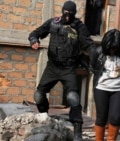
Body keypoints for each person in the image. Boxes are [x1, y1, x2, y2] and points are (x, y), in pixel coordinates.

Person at [28, 1, 96, 141]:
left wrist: (95, 54)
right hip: (52, 66)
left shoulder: (79, 27)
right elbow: (36, 32)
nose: (67, 17)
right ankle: (44, 119)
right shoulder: (53, 23)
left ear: (74, 13)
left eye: (70, 14)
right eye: (65, 13)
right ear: (62, 11)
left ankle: (77, 130)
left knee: (73, 98)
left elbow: (88, 44)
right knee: (39, 95)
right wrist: (34, 39)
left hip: (69, 67)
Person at [90, 29, 120, 141]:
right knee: (101, 118)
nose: (112, 50)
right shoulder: (97, 51)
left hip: (119, 89)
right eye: (110, 48)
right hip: (101, 88)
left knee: (115, 118)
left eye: (115, 48)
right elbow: (92, 66)